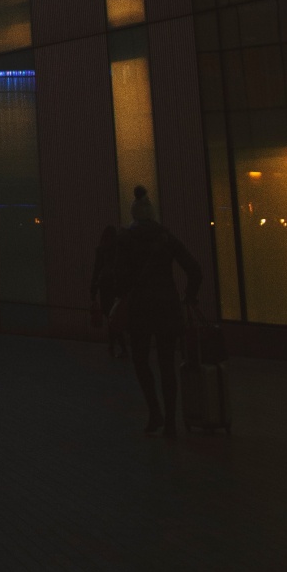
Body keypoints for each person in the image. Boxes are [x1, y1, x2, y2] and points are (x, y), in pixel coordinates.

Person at [116, 186, 202, 439]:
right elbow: (194, 269)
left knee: (141, 361)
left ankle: (155, 411)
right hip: (167, 308)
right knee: (167, 365)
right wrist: (189, 296)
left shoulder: (126, 240)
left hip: (140, 310)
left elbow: (119, 279)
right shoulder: (166, 237)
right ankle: (171, 422)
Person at [90, 224, 125, 359]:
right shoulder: (118, 249)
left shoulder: (101, 250)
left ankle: (113, 346)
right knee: (115, 317)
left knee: (110, 317)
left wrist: (93, 290)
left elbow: (96, 269)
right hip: (115, 287)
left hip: (104, 287)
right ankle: (118, 346)